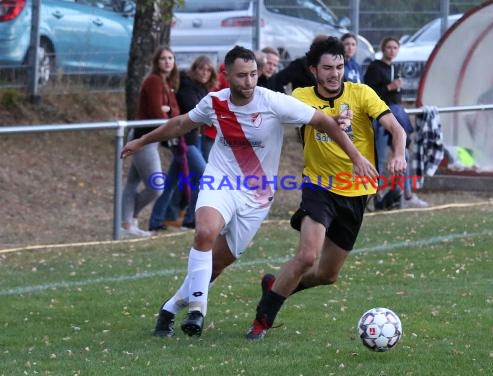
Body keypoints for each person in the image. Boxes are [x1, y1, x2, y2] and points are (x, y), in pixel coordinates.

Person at [121, 45, 377, 337]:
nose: (249, 81)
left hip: (256, 197)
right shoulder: (214, 102)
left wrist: (356, 156)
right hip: (221, 182)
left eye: (254, 74)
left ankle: (169, 309)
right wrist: (142, 141)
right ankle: (197, 310)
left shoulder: (274, 102)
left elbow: (324, 122)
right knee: (204, 232)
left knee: (214, 266)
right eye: (242, 75)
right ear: (226, 75)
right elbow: (181, 123)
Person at [245, 36, 407, 340]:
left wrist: (398, 153)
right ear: (313, 70)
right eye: (328, 68)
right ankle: (262, 321)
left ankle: (275, 287)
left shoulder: (361, 93)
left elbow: (395, 128)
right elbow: (319, 122)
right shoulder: (303, 97)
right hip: (319, 187)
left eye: (340, 66)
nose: (335, 74)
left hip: (357, 193)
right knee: (307, 256)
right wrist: (335, 120)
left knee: (327, 275)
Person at [148, 56, 216, 231]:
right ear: (195, 69)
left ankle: (157, 220)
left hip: (195, 138)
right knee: (204, 176)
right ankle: (190, 219)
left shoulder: (202, 88)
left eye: (208, 70)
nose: (204, 73)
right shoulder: (187, 86)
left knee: (172, 181)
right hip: (184, 141)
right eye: (201, 69)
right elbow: (195, 109)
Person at [121, 46, 180, 237]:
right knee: (156, 187)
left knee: (132, 183)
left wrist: (168, 111)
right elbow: (157, 113)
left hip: (152, 139)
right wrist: (167, 112)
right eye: (163, 58)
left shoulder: (168, 82)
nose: (167, 61)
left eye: (170, 58)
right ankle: (126, 222)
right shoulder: (153, 81)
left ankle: (127, 224)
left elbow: (175, 113)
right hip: (143, 138)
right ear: (157, 62)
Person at [364, 36, 428, 209]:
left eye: (395, 48)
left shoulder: (394, 68)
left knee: (403, 155)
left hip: (394, 119)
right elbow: (368, 93)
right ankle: (373, 196)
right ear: (383, 49)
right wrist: (389, 88)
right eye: (389, 47)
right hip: (380, 120)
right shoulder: (375, 68)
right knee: (380, 157)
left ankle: (404, 195)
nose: (392, 50)